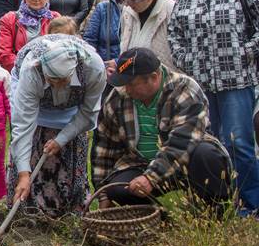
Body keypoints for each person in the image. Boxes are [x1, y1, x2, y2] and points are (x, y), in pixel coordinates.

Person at [168, 0, 259, 212]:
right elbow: (175, 35)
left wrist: (247, 51)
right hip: (203, 83)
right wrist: (187, 60)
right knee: (212, 144)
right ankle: (222, 200)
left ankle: (251, 202)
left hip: (237, 80)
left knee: (238, 143)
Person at [92, 48, 234, 210]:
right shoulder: (117, 98)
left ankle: (212, 212)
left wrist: (151, 178)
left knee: (206, 155)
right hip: (139, 163)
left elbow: (182, 142)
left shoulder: (184, 89)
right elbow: (104, 149)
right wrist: (103, 195)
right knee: (116, 189)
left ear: (154, 77)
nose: (127, 89)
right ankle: (155, 215)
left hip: (185, 161)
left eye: (131, 84)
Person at [8, 35, 106, 216]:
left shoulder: (93, 68)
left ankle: (69, 212)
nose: (58, 86)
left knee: (69, 156)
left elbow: (88, 112)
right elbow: (22, 125)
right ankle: (27, 212)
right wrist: (23, 174)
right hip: (37, 106)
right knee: (29, 159)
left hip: (75, 110)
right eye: (52, 80)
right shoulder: (31, 71)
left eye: (63, 80)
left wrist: (61, 139)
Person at [118, 0, 177, 72]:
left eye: (132, 0)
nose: (127, 4)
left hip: (162, 77)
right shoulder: (128, 11)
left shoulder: (172, 11)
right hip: (133, 76)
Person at [0, 0, 59, 71]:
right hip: (20, 73)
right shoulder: (9, 19)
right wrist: (29, 68)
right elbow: (4, 55)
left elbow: (61, 49)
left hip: (49, 73)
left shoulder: (55, 18)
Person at [82, 0, 122, 66]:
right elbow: (90, 39)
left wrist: (118, 62)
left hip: (128, 66)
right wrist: (96, 64)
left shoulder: (137, 11)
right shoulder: (103, 8)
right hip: (104, 65)